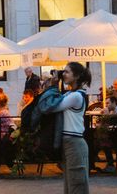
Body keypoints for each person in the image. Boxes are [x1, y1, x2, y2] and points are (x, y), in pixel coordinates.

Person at [32, 62, 92, 194]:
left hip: (74, 143)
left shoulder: (76, 96)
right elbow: (48, 104)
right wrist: (52, 87)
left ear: (76, 76)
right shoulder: (69, 94)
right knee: (70, 185)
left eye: (66, 72)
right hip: (68, 143)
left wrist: (53, 87)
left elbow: (48, 107)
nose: (62, 74)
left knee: (77, 185)